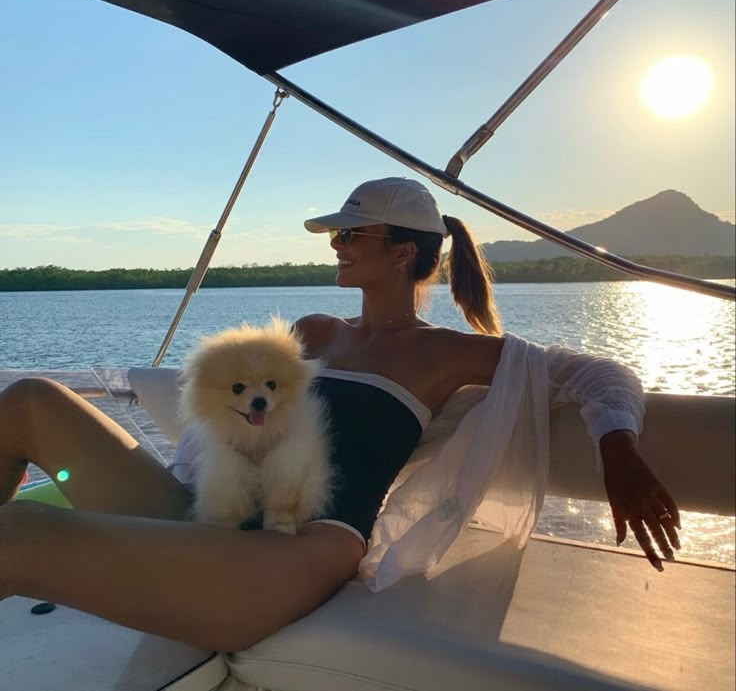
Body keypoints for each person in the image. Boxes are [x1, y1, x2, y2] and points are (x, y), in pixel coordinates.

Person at [0, 177, 680, 653]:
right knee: (27, 400)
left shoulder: (446, 354)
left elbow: (599, 373)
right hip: (208, 514)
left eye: (351, 233)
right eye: (337, 233)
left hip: (292, 552)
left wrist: (617, 448)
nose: (336, 245)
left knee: (17, 534)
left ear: (403, 252)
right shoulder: (313, 331)